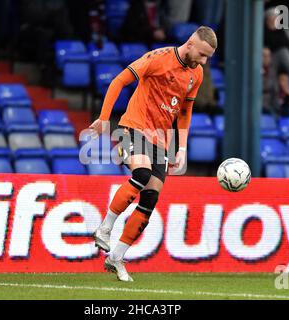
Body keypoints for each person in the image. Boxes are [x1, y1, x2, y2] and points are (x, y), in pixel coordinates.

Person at [89, 26, 217, 282]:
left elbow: (184, 111)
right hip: (132, 128)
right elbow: (119, 81)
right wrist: (104, 118)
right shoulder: (157, 58)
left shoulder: (197, 73)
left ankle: (116, 257)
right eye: (202, 55)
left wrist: (182, 147)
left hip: (161, 140)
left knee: (149, 200)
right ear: (190, 43)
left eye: (207, 58)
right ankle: (105, 228)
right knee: (142, 173)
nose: (203, 61)